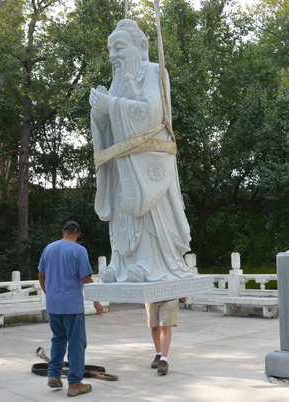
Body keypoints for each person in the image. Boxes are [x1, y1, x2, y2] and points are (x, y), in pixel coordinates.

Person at [89, 19, 195, 283]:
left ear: (141, 46)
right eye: (110, 50)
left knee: (147, 212)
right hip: (121, 163)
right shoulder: (117, 82)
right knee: (121, 212)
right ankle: (120, 263)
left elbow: (151, 113)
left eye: (119, 48)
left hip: (147, 161)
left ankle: (149, 263)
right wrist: (100, 112)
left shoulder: (154, 72)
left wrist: (111, 104)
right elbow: (110, 127)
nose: (113, 55)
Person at [38, 221, 104, 397]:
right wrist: (97, 302)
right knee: (76, 343)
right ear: (78, 234)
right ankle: (75, 383)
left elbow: (41, 275)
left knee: (58, 339)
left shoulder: (49, 248)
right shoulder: (79, 250)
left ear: (63, 232)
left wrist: (49, 293)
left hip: (53, 306)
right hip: (72, 306)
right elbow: (86, 279)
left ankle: (54, 375)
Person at [146, 297, 187, 375]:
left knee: (165, 326)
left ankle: (163, 360)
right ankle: (159, 354)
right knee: (154, 326)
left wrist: (183, 294)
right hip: (151, 295)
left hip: (170, 294)